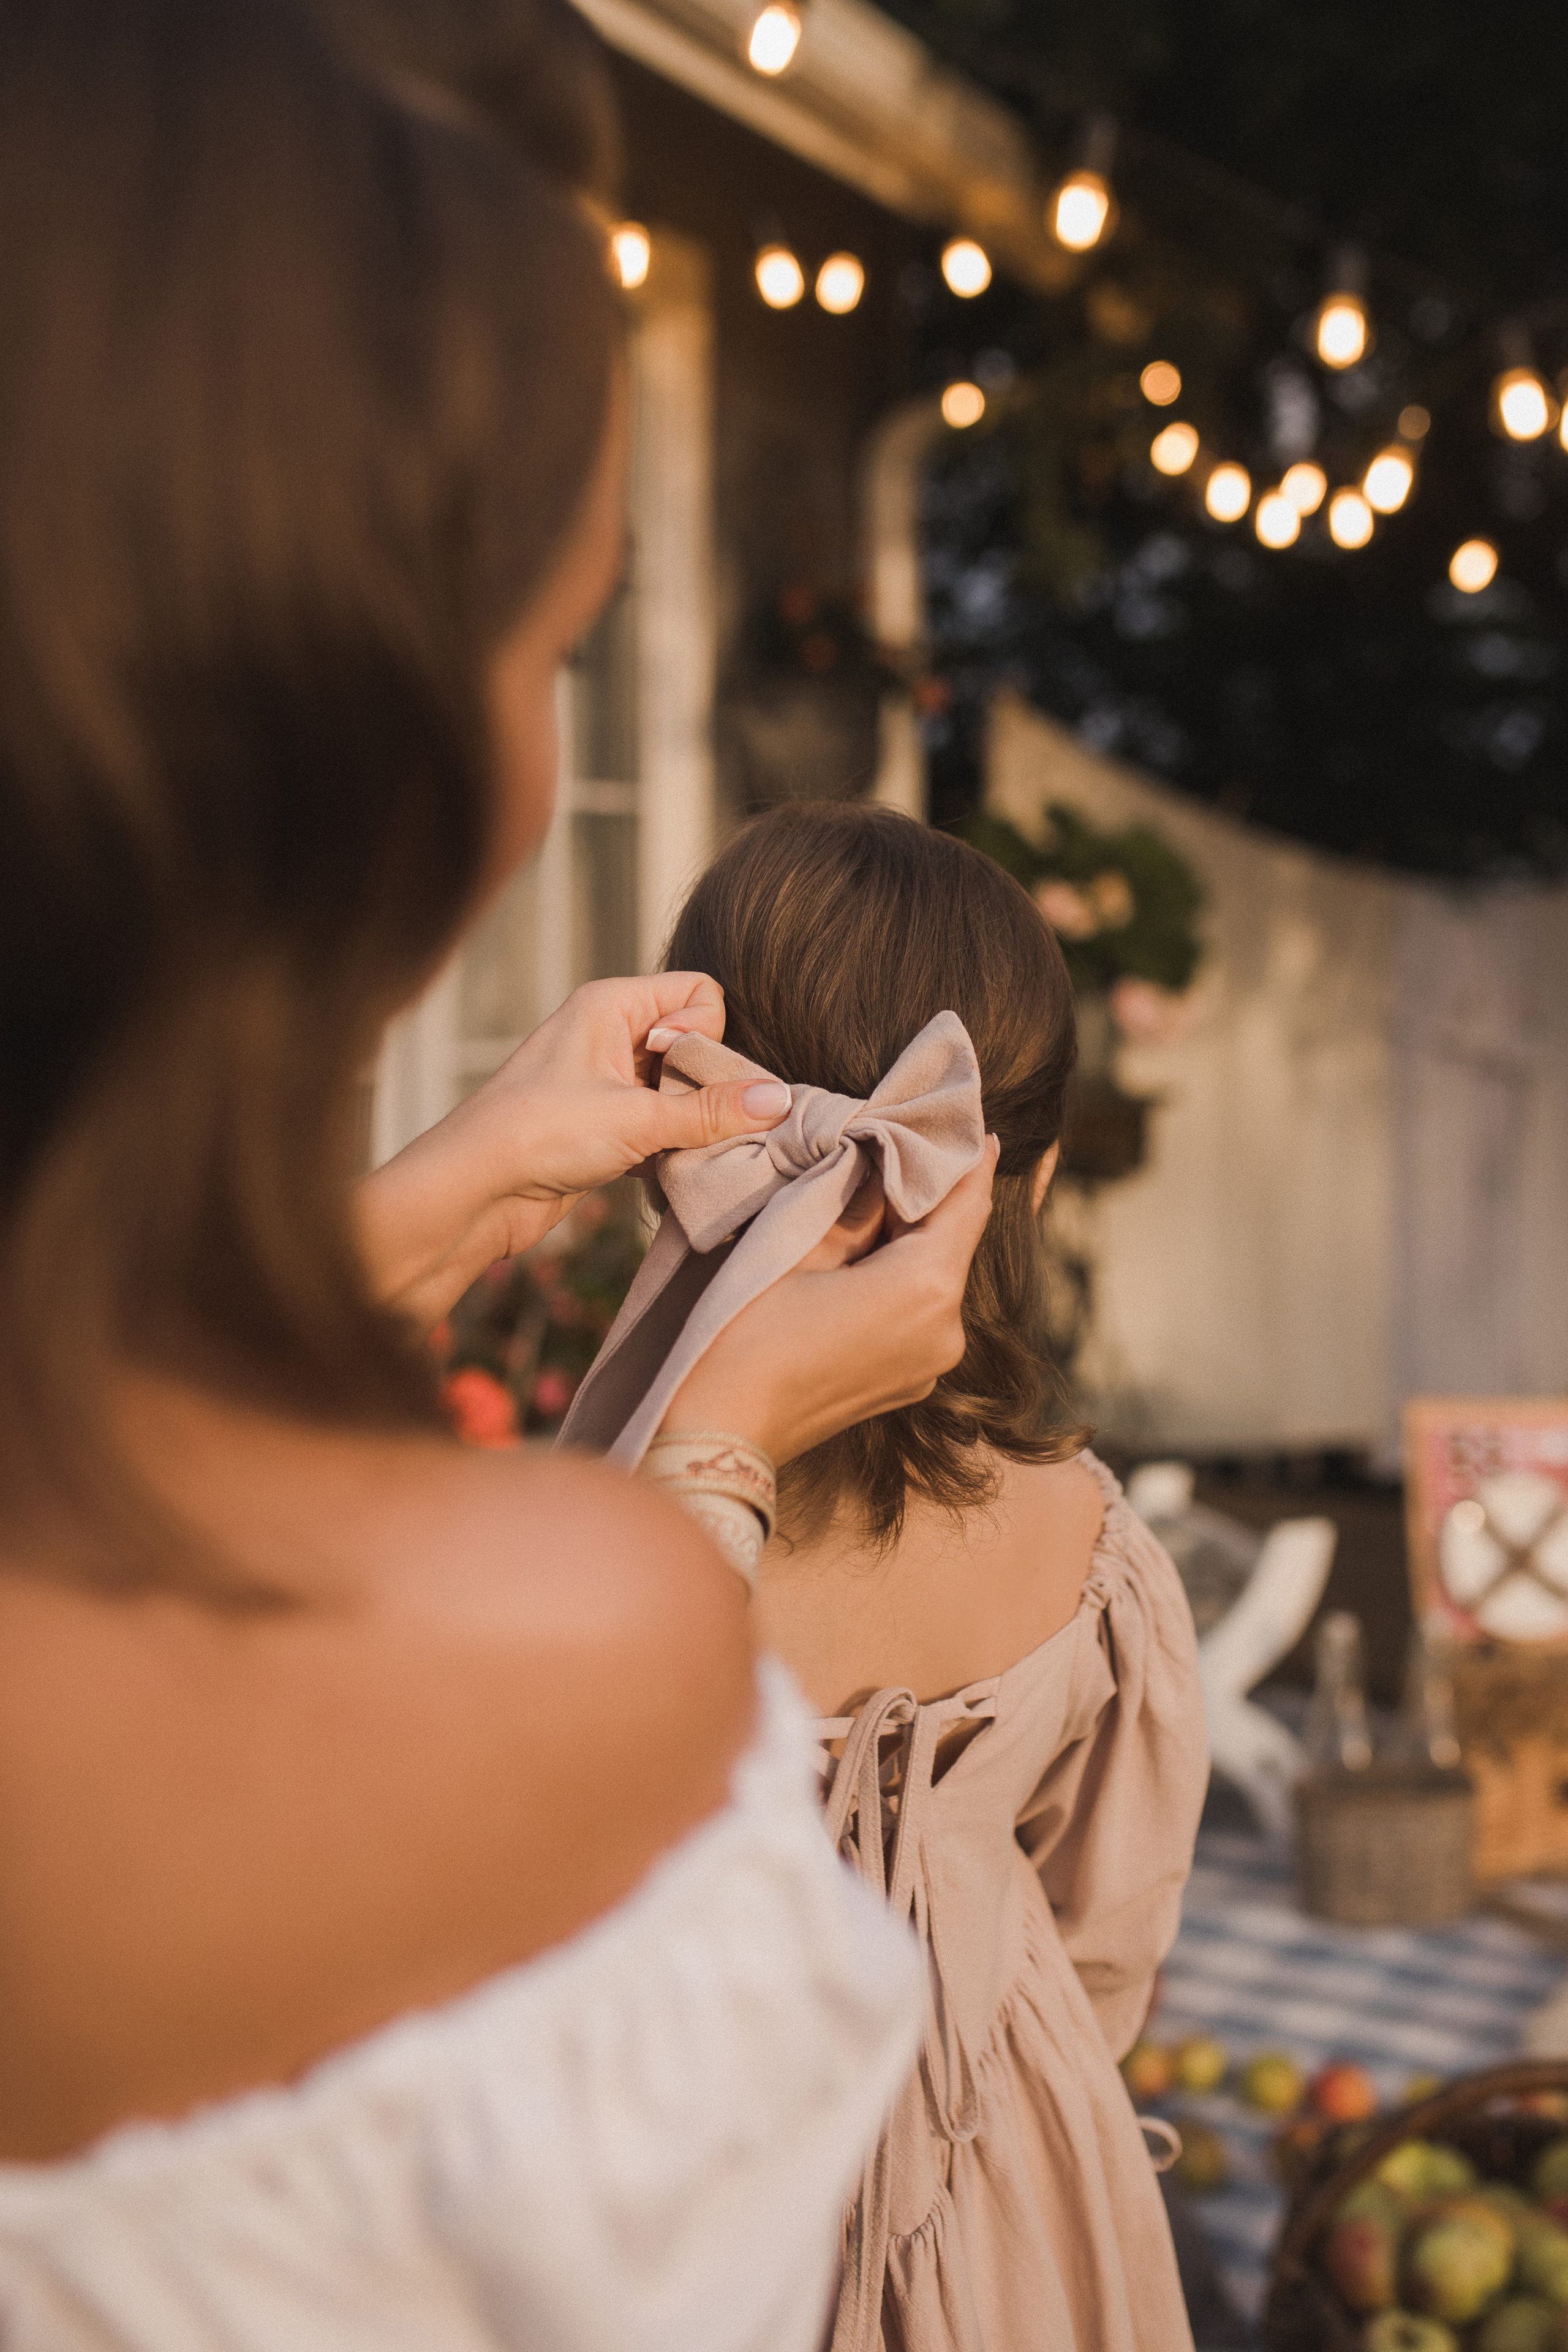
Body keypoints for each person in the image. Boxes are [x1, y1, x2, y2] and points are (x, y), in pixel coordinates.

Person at [0, 3, 998, 2344]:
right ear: (382, 749)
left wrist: (442, 1189)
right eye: (557, 647)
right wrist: (727, 1438)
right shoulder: (565, 1648)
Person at [655, 804, 1211, 2352]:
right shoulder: (1090, 1552)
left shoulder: (591, 1551)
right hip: (1007, 2188)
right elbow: (1107, 1939)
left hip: (657, 2200)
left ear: (667, 1165)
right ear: (1021, 1190)